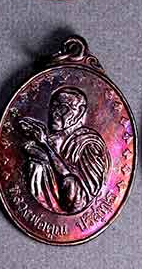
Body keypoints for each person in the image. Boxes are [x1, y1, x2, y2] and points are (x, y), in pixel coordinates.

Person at [18, 86, 109, 214]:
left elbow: (77, 200)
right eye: (53, 107)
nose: (54, 113)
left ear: (79, 113)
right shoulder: (52, 139)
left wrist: (45, 145)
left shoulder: (87, 144)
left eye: (63, 108)